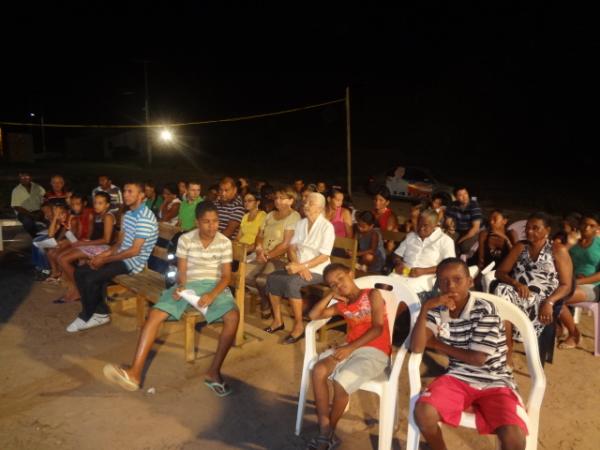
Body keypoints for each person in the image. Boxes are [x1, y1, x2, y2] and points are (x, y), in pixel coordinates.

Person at [103, 201, 239, 397]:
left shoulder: (224, 242)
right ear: (197, 222)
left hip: (214, 286)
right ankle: (134, 373)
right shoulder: (186, 239)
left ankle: (214, 372)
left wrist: (212, 294)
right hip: (189, 285)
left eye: (216, 221)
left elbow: (226, 277)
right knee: (155, 314)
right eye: (207, 222)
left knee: (233, 317)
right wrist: (181, 287)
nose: (212, 226)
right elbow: (182, 271)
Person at [411, 258, 527, 450]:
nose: (451, 286)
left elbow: (478, 359)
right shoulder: (437, 310)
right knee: (423, 412)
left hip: (495, 379)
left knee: (513, 437)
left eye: (458, 279)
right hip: (458, 377)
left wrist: (435, 344)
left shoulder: (485, 309)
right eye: (444, 281)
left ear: (470, 281)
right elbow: (416, 347)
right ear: (437, 284)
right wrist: (425, 308)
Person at [306, 263, 391, 450]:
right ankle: (325, 428)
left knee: (340, 382)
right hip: (350, 348)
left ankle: (327, 434)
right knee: (318, 370)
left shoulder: (372, 294)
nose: (338, 285)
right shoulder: (342, 305)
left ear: (351, 274)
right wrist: (329, 295)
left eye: (340, 278)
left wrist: (350, 348)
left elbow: (378, 327)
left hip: (374, 351)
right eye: (333, 284)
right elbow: (313, 315)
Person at [67, 182, 158, 333]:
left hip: (133, 263)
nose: (126, 194)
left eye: (130, 191)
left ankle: (86, 315)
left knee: (92, 278)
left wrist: (104, 260)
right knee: (80, 272)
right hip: (121, 256)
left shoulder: (145, 218)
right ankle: (100, 312)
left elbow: (134, 251)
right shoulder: (128, 215)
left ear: (141, 195)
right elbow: (119, 243)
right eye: (125, 191)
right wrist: (103, 254)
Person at [494, 212, 572, 364]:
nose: (529, 231)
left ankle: (511, 347)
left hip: (543, 298)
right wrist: (516, 283)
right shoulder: (520, 247)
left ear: (547, 230)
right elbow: (500, 272)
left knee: (503, 296)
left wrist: (550, 302)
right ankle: (508, 346)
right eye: (527, 228)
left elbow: (566, 285)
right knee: (501, 291)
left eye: (536, 228)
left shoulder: (557, 250)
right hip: (517, 292)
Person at [265, 192, 335, 344]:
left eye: (310, 203)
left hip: (319, 270)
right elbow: (291, 247)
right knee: (272, 278)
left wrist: (302, 266)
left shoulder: (327, 227)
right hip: (300, 266)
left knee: (291, 283)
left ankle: (298, 326)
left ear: (320, 207)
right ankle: (278, 321)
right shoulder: (301, 223)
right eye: (306, 202)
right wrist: (298, 266)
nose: (306, 205)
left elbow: (324, 256)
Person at [247, 186, 301, 319]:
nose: (277, 201)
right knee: (244, 276)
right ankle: (266, 297)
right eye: (276, 198)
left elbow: (285, 244)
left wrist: (267, 255)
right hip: (263, 254)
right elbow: (260, 234)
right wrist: (259, 248)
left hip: (281, 257)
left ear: (291, 200)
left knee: (261, 280)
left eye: (282, 198)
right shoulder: (270, 215)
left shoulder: (294, 217)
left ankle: (266, 304)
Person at [53, 192, 117, 303]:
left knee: (63, 259)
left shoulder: (108, 217)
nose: (96, 205)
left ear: (107, 205)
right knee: (60, 257)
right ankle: (75, 287)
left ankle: (79, 289)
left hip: (105, 248)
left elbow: (106, 240)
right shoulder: (98, 215)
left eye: (100, 203)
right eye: (95, 202)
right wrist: (85, 241)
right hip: (95, 245)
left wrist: (84, 244)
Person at [556, 212, 600, 349]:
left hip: (593, 286)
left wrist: (579, 282)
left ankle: (574, 335)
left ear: (597, 228)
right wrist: (569, 244)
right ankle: (560, 327)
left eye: (592, 226)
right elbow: (558, 258)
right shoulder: (571, 240)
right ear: (579, 225)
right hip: (569, 282)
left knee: (557, 298)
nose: (587, 228)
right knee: (550, 295)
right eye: (584, 224)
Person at [393, 209, 456, 294]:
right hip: (402, 274)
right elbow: (397, 255)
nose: (421, 228)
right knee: (384, 285)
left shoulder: (445, 241)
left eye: (425, 225)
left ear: (435, 225)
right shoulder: (411, 236)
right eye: (419, 224)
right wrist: (398, 263)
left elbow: (449, 266)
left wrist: (424, 271)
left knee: (403, 292)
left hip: (425, 278)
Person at [445, 186, 483, 256]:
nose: (464, 197)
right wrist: (449, 226)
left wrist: (461, 240)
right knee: (447, 241)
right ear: (456, 197)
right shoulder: (453, 205)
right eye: (460, 195)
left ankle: (465, 259)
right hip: (458, 230)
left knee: (464, 246)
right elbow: (448, 220)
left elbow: (475, 228)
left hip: (472, 231)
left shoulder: (474, 206)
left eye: (465, 193)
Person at [11, 172, 46, 236]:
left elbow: (45, 199)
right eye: (22, 177)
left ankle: (49, 237)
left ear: (31, 177)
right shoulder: (16, 190)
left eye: (27, 177)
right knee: (27, 222)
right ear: (19, 178)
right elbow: (16, 207)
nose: (24, 179)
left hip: (37, 210)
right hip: (23, 212)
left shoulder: (38, 187)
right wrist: (31, 214)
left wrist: (41, 210)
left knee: (49, 218)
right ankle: (36, 237)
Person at [372, 186, 399, 254]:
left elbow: (388, 236)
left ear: (387, 202)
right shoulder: (372, 212)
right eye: (375, 199)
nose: (377, 202)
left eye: (381, 200)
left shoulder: (390, 216)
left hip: (383, 244)